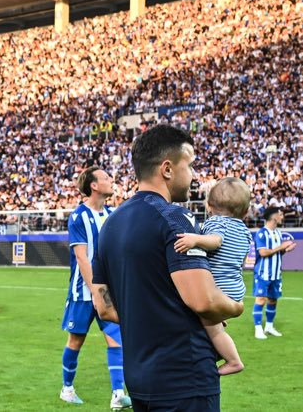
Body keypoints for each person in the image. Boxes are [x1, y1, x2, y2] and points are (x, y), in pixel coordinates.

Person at [91, 124, 242, 411]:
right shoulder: (175, 218)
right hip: (184, 375)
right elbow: (204, 301)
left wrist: (152, 320)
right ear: (168, 169)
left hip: (139, 377)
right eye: (190, 165)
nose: (194, 175)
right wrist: (236, 307)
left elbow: (104, 307)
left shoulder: (110, 225)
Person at [58, 166, 129, 409]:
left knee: (116, 339)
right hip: (83, 292)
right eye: (106, 178)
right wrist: (97, 292)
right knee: (76, 341)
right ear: (94, 186)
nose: (111, 180)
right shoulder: (78, 216)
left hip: (108, 291)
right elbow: (82, 258)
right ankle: (67, 389)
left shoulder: (112, 214)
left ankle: (118, 394)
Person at [173, 177, 255, 375]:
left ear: (209, 206)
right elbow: (242, 260)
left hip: (219, 288)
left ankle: (233, 361)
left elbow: (216, 241)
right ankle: (217, 338)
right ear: (245, 212)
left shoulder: (217, 223)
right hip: (235, 289)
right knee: (213, 323)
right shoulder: (244, 231)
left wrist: (196, 239)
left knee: (211, 326)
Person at [250, 207, 296, 339]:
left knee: (273, 300)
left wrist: (285, 250)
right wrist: (281, 247)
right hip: (263, 273)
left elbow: (276, 252)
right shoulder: (261, 233)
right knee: (261, 299)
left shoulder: (278, 233)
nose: (282, 217)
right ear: (274, 217)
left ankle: (269, 327)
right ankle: (258, 329)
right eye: (280, 214)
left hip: (276, 274)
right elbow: (263, 252)